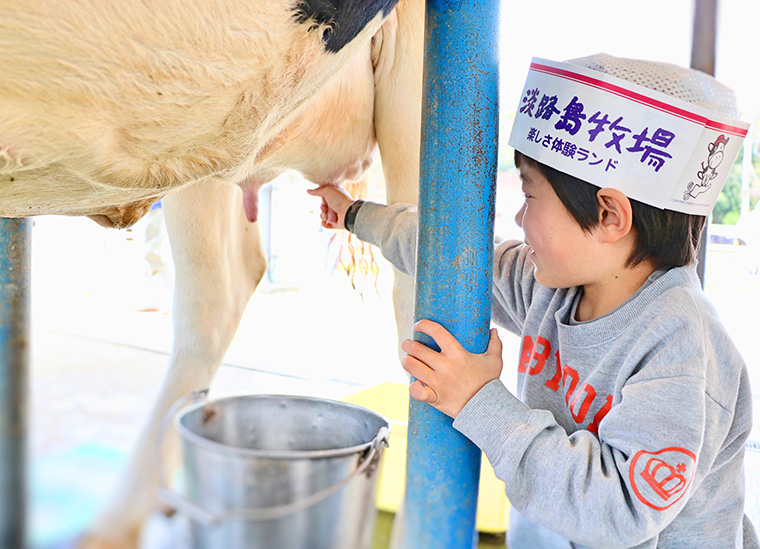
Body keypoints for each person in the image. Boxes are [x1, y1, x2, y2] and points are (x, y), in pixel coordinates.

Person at [308, 54, 758, 547]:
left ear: (610, 216)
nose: (520, 220)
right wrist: (357, 216)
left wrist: (480, 401)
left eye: (530, 196)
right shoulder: (556, 287)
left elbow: (619, 509)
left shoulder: (682, 347)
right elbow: (456, 257)